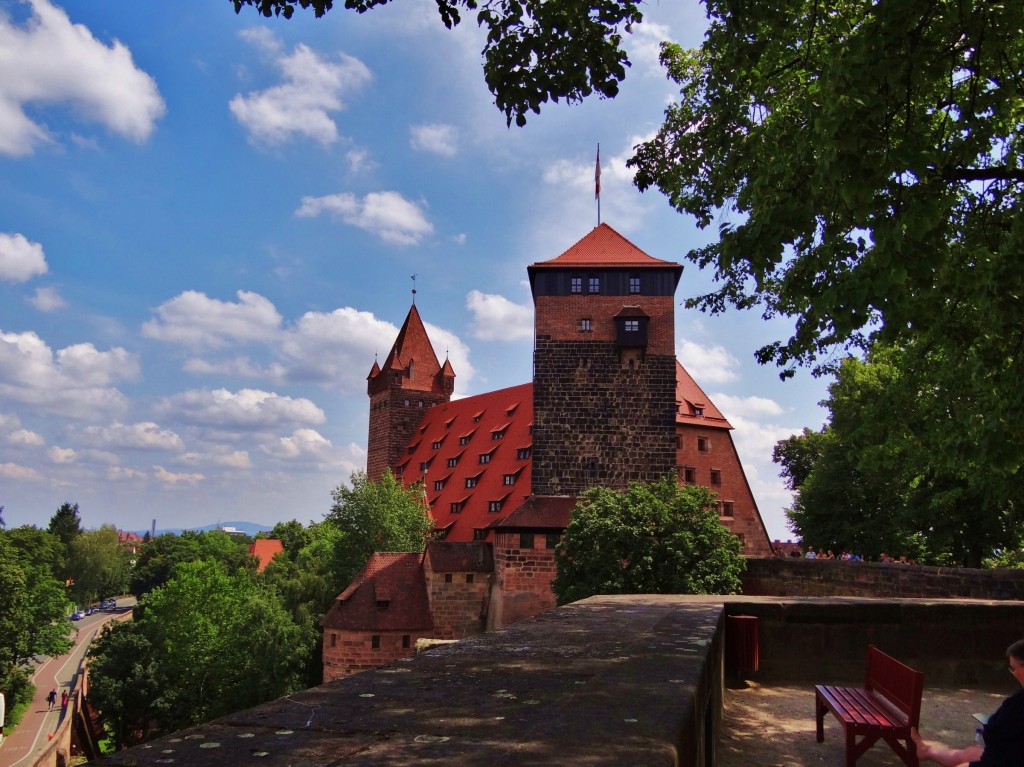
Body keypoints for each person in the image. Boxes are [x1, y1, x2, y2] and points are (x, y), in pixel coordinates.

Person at [912, 639, 1024, 766]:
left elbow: (994, 737)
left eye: (1014, 668)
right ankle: (926, 750)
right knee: (970, 753)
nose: (1014, 674)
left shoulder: (1016, 703)